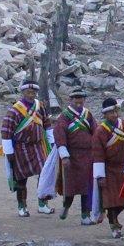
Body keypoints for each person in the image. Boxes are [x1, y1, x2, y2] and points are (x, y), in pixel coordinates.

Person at [0, 80, 55, 217]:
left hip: (38, 146)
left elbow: (47, 123)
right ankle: (22, 207)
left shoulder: (39, 106)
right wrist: (8, 151)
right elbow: (6, 131)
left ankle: (43, 204)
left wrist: (51, 141)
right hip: (20, 148)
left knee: (44, 174)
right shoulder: (14, 110)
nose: (31, 95)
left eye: (33, 92)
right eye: (28, 92)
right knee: (21, 179)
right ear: (23, 92)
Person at [53, 88, 97, 224]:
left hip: (88, 156)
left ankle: (85, 216)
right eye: (76, 101)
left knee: (87, 187)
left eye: (81, 101)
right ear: (71, 100)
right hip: (71, 157)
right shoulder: (64, 116)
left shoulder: (87, 114)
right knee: (70, 187)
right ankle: (66, 206)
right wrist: (64, 156)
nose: (79, 104)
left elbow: (95, 131)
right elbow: (59, 135)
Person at [92, 98, 124, 238]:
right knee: (111, 200)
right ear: (105, 115)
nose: (114, 115)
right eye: (110, 113)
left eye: (115, 111)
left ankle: (113, 218)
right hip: (108, 169)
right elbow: (98, 153)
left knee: (123, 199)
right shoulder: (100, 131)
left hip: (123, 168)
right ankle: (114, 224)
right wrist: (100, 175)